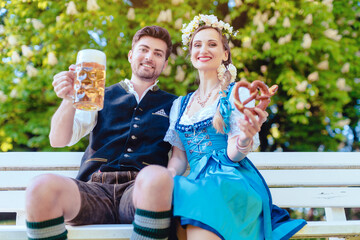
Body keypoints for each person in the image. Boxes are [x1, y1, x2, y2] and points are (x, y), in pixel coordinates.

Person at [25, 26, 177, 240]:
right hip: (93, 189)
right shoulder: (96, 94)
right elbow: (58, 140)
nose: (149, 57)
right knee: (40, 188)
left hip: (139, 193)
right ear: (131, 55)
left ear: (165, 64)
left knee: (156, 176)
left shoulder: (175, 105)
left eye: (158, 53)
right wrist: (68, 99)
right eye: (144, 49)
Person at [165, 15, 307, 240]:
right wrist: (167, 177)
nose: (204, 49)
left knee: (199, 195)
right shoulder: (179, 105)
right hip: (194, 180)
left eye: (212, 44)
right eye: (197, 44)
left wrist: (244, 139)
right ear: (190, 53)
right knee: (176, 194)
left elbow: (235, 154)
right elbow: (179, 158)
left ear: (225, 54)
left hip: (228, 177)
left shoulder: (237, 94)